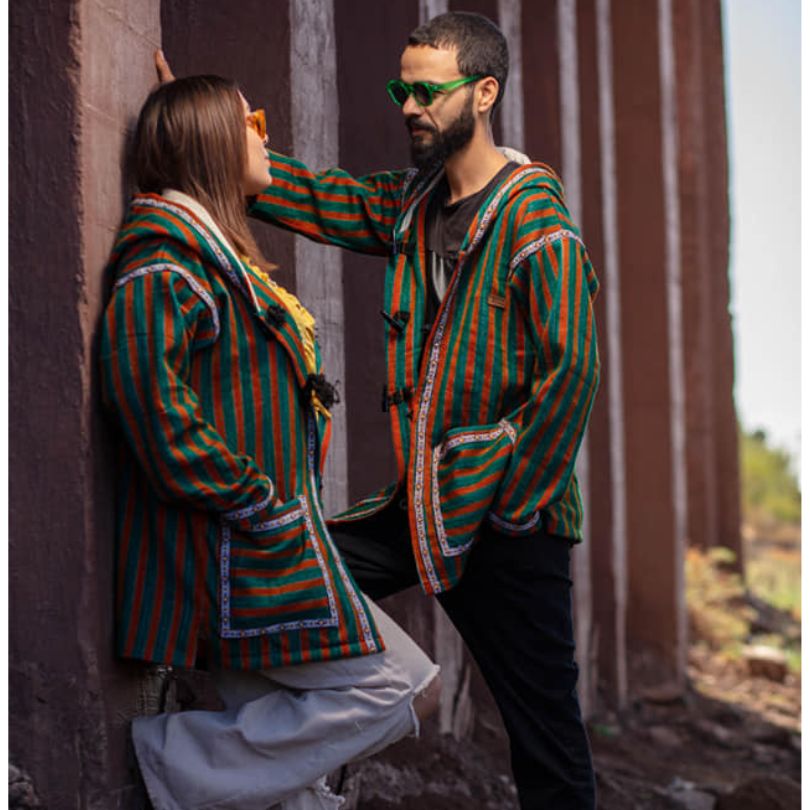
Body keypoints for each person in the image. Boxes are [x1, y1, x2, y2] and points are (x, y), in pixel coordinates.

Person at [158, 9, 599, 806]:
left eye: (429, 92)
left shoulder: (535, 216)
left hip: (507, 522)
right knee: (277, 578)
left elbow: (572, 372)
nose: (408, 106)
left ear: (485, 92)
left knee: (547, 742)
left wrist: (514, 505)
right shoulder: (412, 206)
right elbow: (325, 198)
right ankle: (251, 782)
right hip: (422, 507)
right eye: (404, 89)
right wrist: (209, 143)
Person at [99, 75, 440, 810]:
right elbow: (152, 408)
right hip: (237, 556)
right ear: (214, 143)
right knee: (398, 683)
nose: (263, 132)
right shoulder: (165, 261)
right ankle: (166, 761)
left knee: (283, 773)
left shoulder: (209, 256)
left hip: (265, 544)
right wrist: (255, 498)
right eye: (249, 120)